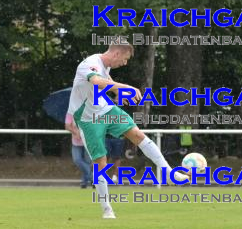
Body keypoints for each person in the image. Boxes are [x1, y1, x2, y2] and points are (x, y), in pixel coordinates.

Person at [67, 43, 190, 219]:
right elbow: (95, 81)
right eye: (125, 59)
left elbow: (100, 88)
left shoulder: (104, 67)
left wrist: (115, 95)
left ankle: (169, 173)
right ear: (117, 53)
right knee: (100, 162)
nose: (124, 63)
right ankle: (107, 209)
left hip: (106, 109)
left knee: (138, 135)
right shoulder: (90, 62)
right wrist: (125, 87)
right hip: (88, 119)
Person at [64, 113, 93, 188]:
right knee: (77, 160)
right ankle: (93, 178)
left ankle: (84, 183)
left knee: (88, 162)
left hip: (88, 142)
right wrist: (75, 132)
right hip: (76, 142)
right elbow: (67, 126)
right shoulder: (70, 113)